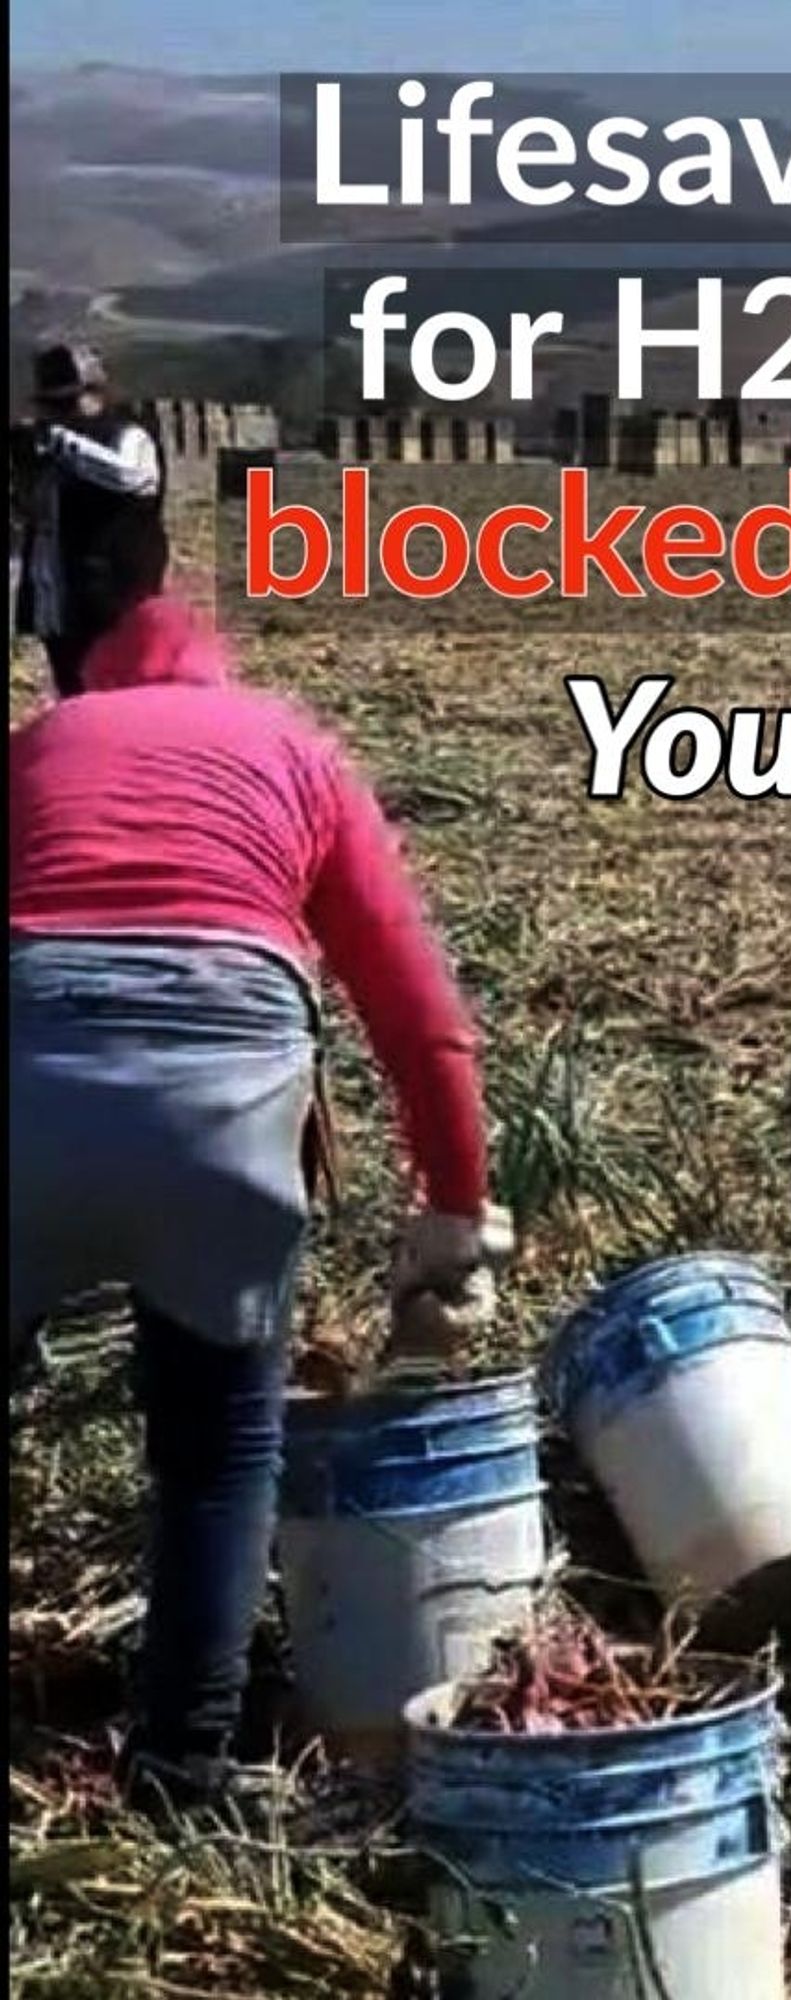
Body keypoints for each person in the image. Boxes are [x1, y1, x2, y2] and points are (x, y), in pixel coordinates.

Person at [9, 590, 514, 1807]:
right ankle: (182, 1759)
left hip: (22, 1072)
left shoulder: (35, 746)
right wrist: (455, 1205)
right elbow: (422, 1021)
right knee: (219, 1450)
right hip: (223, 1113)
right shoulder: (295, 750)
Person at [14, 342, 168, 700]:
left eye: (69, 402)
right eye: (54, 405)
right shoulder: (46, 452)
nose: (62, 413)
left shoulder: (128, 437)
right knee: (74, 698)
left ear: (97, 395)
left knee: (120, 700)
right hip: (61, 609)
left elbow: (128, 476)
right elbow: (37, 521)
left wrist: (60, 442)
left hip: (115, 601)